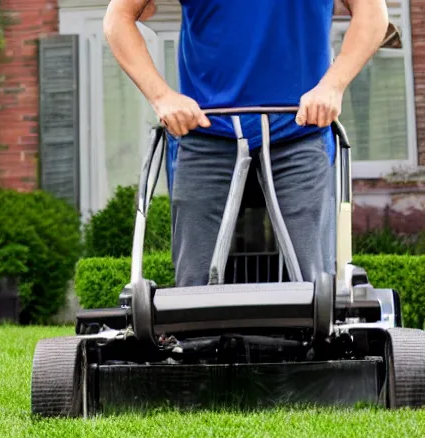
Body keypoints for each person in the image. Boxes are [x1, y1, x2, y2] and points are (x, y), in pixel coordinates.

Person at [103, 0, 390, 287]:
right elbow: (118, 18)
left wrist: (332, 86)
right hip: (208, 134)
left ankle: (312, 327)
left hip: (299, 131)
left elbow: (372, 12)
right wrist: (162, 97)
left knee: (313, 282)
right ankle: (197, 330)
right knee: (194, 281)